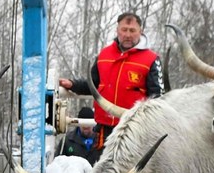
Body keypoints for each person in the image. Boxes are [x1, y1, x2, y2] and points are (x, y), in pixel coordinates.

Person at [58, 11, 162, 150]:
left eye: (132, 30)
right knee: (104, 170)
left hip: (133, 129)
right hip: (104, 129)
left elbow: (158, 97)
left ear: (140, 32)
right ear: (117, 30)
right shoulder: (104, 54)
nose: (127, 35)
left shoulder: (151, 59)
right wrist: (73, 85)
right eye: (124, 30)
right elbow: (94, 84)